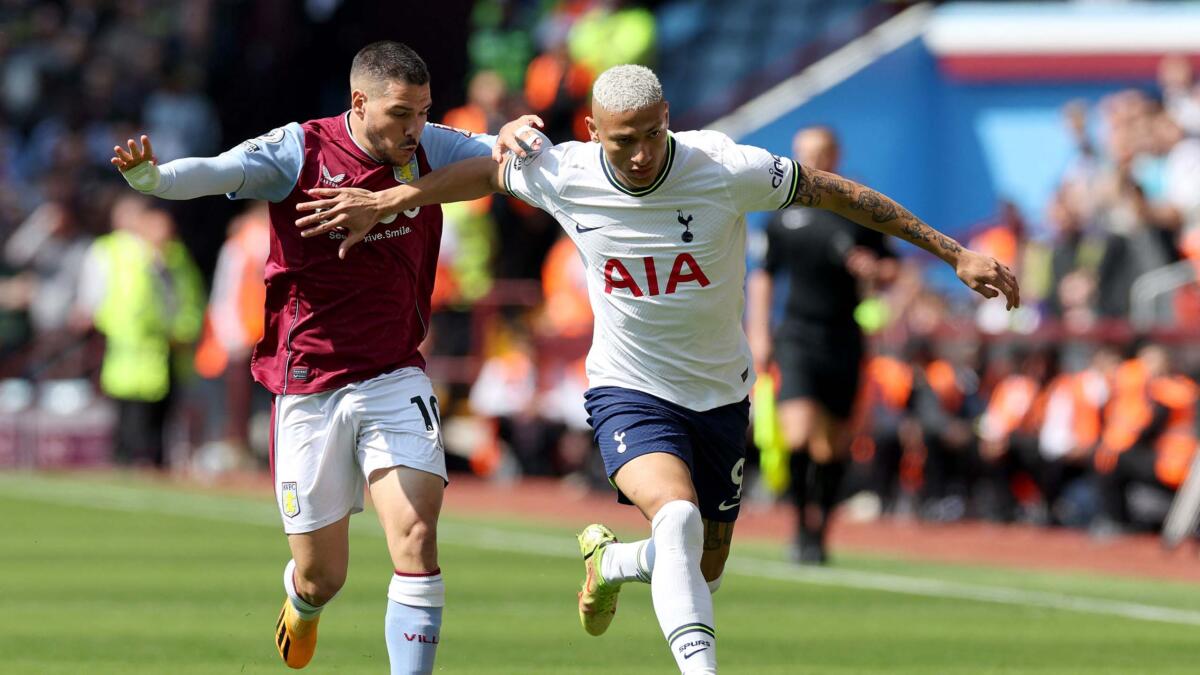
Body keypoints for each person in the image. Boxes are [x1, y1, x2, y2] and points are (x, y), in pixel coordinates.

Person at [294, 64, 1019, 674]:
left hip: (720, 397)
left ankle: (611, 564)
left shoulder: (727, 167)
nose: (639, 153)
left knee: (699, 562)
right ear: (591, 134)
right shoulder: (565, 172)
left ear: (667, 118)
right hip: (628, 390)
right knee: (674, 515)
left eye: (650, 134)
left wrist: (953, 251)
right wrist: (397, 195)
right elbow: (487, 170)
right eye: (622, 140)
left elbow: (837, 192)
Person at [110, 41, 537, 673]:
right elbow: (221, 171)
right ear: (359, 102)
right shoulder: (299, 150)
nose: (414, 127)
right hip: (309, 384)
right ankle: (302, 605)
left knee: (416, 536)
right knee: (322, 577)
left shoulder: (428, 146)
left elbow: (498, 167)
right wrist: (156, 179)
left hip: (395, 373)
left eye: (422, 112)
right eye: (400, 113)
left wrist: (512, 137)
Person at [745, 126, 898, 564]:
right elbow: (765, 274)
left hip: (843, 335)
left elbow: (892, 269)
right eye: (804, 154)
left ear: (836, 154)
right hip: (797, 333)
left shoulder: (859, 209)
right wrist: (759, 332)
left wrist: (873, 270)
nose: (813, 162)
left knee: (831, 445)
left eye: (820, 153)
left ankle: (821, 532)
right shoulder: (782, 211)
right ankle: (798, 526)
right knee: (797, 432)